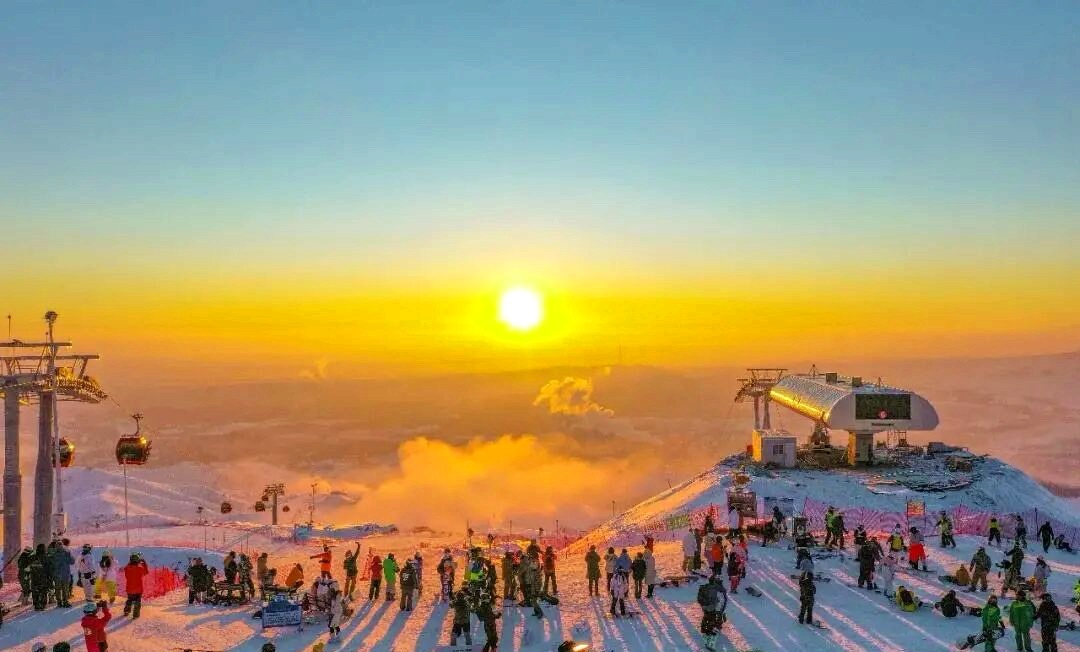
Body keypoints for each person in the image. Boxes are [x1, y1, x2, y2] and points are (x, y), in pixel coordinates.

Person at [696, 575, 727, 651]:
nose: (721, 582)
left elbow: (722, 600)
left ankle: (705, 630)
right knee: (713, 624)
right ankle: (710, 642)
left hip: (709, 608)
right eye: (720, 581)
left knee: (708, 619)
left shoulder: (706, 587)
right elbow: (721, 600)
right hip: (714, 609)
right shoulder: (716, 589)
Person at [122, 553, 149, 619]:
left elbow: (126, 568)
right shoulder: (140, 569)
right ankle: (135, 615)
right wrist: (144, 563)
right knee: (137, 602)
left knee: (129, 600)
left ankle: (126, 611)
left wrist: (129, 563)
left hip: (129, 589)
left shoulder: (127, 568)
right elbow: (146, 572)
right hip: (138, 589)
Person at [518, 550, 544, 619]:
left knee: (533, 599)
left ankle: (540, 612)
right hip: (531, 583)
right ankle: (536, 611)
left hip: (535, 584)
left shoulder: (534, 562)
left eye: (531, 556)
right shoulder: (532, 562)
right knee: (532, 598)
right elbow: (527, 570)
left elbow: (532, 568)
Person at [28, 544, 51, 611]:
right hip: (43, 577)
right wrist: (49, 577)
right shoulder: (46, 557)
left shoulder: (32, 557)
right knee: (43, 591)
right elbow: (49, 568)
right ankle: (42, 605)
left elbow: (29, 566)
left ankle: (36, 605)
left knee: (35, 591)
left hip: (34, 577)